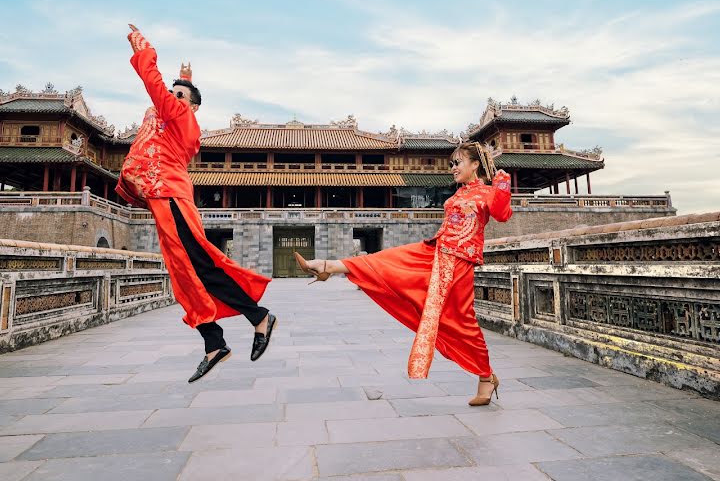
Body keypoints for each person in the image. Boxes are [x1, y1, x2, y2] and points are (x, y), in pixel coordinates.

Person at [117, 24, 277, 383]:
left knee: (201, 265)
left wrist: (143, 48)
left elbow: (155, 86)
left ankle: (259, 316)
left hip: (171, 195)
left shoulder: (180, 116)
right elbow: (165, 97)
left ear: (193, 107)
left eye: (180, 94)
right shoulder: (170, 114)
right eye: (172, 93)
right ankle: (214, 342)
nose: (171, 97)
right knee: (183, 274)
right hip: (161, 199)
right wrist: (185, 79)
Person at [295, 142, 512, 405]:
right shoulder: (457, 195)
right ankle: (327, 266)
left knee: (461, 323)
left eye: (458, 163)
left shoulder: (488, 192)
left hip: (458, 264)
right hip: (435, 252)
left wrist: (501, 184)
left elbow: (502, 214)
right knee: (389, 262)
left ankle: (485, 377)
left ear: (475, 164)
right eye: (451, 164)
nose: (453, 168)